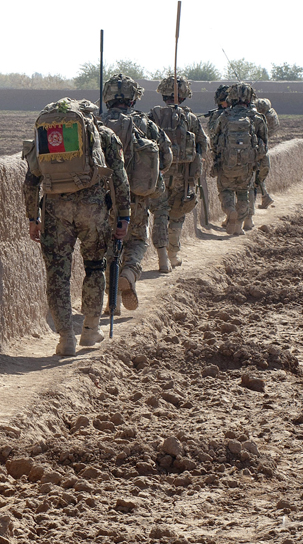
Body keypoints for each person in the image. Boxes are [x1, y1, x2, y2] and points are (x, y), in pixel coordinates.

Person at [23, 97, 130, 356]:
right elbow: (120, 178)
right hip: (93, 209)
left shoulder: (47, 137)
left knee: (57, 274)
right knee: (94, 267)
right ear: (89, 116)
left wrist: (32, 218)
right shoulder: (105, 136)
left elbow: (30, 181)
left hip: (55, 209)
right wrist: (123, 216)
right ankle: (91, 329)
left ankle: (65, 338)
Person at [99, 73, 171, 312]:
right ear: (132, 98)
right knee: (137, 240)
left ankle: (113, 303)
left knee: (109, 247)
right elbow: (167, 157)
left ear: (107, 97)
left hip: (104, 198)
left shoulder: (96, 123)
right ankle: (129, 272)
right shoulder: (145, 124)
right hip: (137, 197)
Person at [148, 75, 207, 268]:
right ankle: (173, 255)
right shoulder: (190, 118)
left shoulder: (153, 116)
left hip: (160, 175)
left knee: (160, 213)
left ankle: (162, 257)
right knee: (177, 214)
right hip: (184, 175)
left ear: (163, 94)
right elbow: (203, 144)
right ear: (183, 96)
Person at [210, 82, 269, 236]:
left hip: (226, 165)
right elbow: (264, 142)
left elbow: (214, 139)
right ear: (250, 99)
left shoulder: (224, 116)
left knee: (226, 190)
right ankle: (238, 227)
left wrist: (218, 157)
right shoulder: (256, 118)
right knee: (243, 193)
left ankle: (230, 211)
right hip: (247, 166)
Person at [253, 94, 280, 211]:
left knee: (255, 177)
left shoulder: (264, 118)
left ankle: (260, 199)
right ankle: (265, 196)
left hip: (259, 147)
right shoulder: (271, 113)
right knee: (258, 177)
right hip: (263, 146)